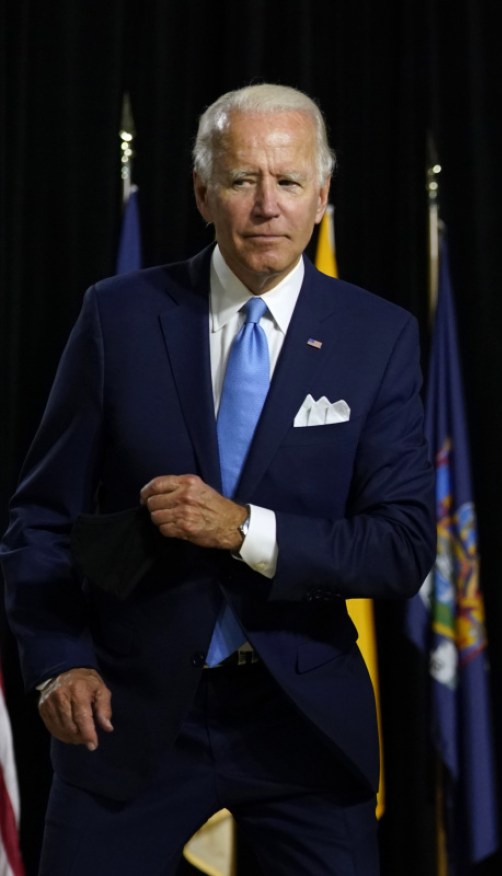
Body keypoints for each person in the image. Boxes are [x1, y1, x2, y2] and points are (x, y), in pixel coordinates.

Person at [0, 84, 434, 874]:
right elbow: (39, 516)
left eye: (289, 181)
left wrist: (242, 530)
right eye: (242, 181)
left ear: (323, 196)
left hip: (299, 720)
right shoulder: (118, 316)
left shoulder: (378, 338)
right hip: (126, 714)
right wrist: (59, 659)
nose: (267, 205)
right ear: (204, 193)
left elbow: (401, 547)